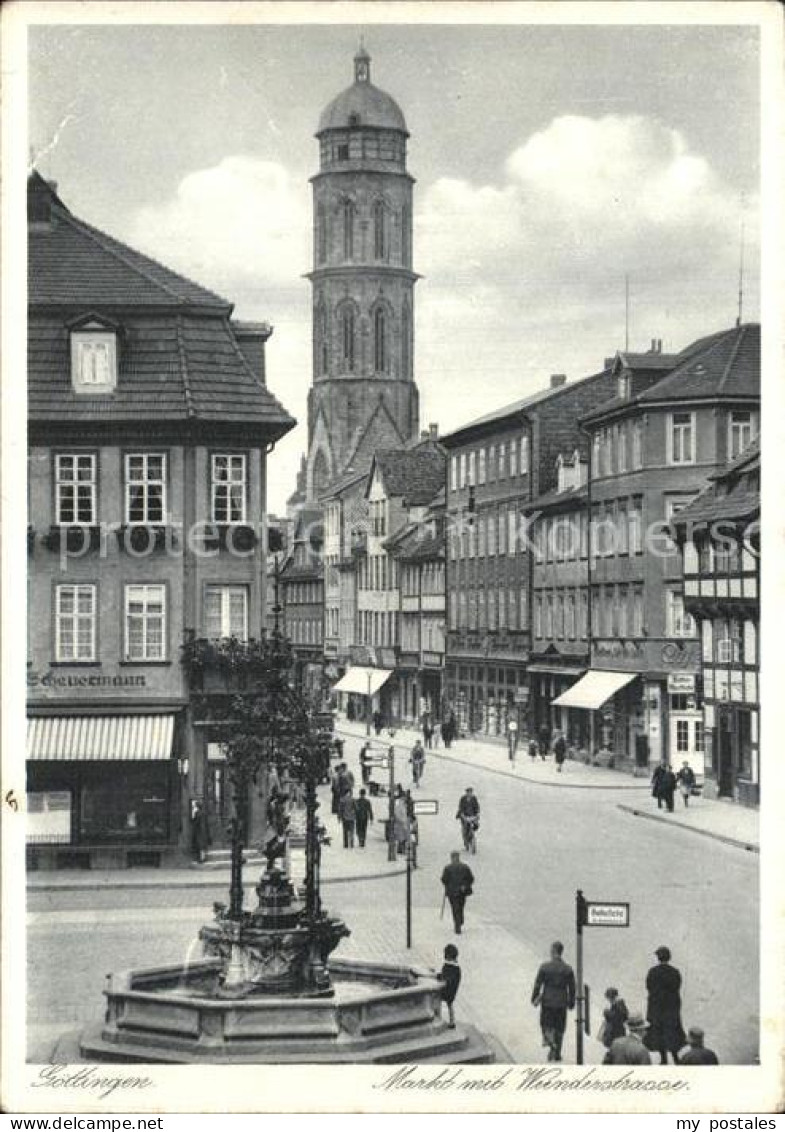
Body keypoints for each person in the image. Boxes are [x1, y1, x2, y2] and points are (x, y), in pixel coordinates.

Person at [531, 941, 576, 1062]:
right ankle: (557, 1052)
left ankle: (551, 1044)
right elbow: (572, 988)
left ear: (552, 951)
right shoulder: (568, 969)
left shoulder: (545, 967)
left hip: (547, 1002)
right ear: (561, 952)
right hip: (561, 1003)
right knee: (560, 1028)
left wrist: (534, 998)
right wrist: (571, 1003)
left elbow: (537, 984)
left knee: (546, 1024)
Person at [645, 946, 686, 1064]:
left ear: (658, 957)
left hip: (656, 1009)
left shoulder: (653, 971)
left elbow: (649, 987)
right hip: (671, 1009)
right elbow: (677, 987)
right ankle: (676, 1057)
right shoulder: (675, 972)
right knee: (672, 1031)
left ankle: (663, 1059)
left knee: (659, 1032)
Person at [441, 850, 474, 934]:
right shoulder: (465, 867)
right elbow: (471, 878)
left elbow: (444, 879)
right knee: (461, 906)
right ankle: (460, 921)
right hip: (462, 891)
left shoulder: (448, 868)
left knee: (455, 908)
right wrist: (465, 885)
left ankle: (457, 923)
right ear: (458, 857)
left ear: (452, 858)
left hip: (452, 891)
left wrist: (447, 884)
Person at [438, 943, 461, 1028]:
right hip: (451, 990)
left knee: (437, 998)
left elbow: (447, 978)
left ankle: (438, 1017)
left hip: (448, 989)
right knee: (450, 1004)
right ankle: (452, 1022)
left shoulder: (451, 966)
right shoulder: (455, 966)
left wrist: (442, 980)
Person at [456, 787, 480, 853]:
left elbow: (477, 806)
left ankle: (472, 837)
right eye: (468, 792)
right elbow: (460, 807)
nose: (469, 794)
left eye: (471, 792)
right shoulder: (463, 799)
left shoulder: (474, 798)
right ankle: (466, 843)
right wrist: (462, 815)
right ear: (466, 793)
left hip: (472, 816)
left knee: (476, 825)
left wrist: (477, 813)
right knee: (464, 830)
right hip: (464, 816)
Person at [190, 799, 209, 864]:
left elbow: (195, 822)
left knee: (200, 844)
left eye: (194, 805)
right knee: (201, 845)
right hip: (202, 830)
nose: (193, 806)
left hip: (199, 830)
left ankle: (201, 859)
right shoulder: (202, 812)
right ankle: (202, 858)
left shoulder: (198, 813)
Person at [393, 788, 410, 855]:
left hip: (403, 823)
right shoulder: (399, 805)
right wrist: (402, 821)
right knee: (401, 838)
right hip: (400, 823)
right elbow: (397, 814)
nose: (405, 798)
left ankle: (402, 849)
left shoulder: (403, 805)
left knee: (403, 837)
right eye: (404, 797)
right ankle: (400, 850)